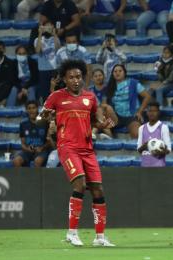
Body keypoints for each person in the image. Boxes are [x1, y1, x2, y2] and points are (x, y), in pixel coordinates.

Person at [38, 59, 116, 247]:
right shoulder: (56, 96)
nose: (75, 80)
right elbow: (40, 119)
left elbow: (95, 121)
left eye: (78, 76)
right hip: (67, 147)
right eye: (71, 77)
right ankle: (72, 232)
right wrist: (45, 117)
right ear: (64, 79)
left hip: (87, 149)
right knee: (80, 185)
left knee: (98, 189)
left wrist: (103, 124)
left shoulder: (90, 97)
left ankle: (100, 238)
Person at [103, 64, 152, 138]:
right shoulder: (109, 86)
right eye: (115, 71)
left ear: (124, 73)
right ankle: (110, 139)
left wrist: (140, 111)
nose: (117, 73)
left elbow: (147, 96)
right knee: (99, 122)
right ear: (112, 74)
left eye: (120, 71)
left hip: (131, 116)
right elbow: (103, 104)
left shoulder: (133, 83)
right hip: (116, 117)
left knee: (136, 134)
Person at [13, 101, 51, 167]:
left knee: (37, 161)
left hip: (41, 151)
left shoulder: (45, 122)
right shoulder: (23, 124)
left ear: (37, 109)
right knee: (16, 161)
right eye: (29, 108)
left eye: (33, 108)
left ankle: (37, 177)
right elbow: (23, 144)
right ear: (26, 110)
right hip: (27, 151)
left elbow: (50, 142)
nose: (31, 110)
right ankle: (21, 177)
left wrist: (41, 148)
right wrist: (27, 149)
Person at [136, 102, 171, 167]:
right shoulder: (141, 128)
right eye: (150, 111)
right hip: (145, 167)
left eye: (154, 111)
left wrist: (159, 151)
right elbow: (139, 150)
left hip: (159, 166)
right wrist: (146, 146)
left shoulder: (163, 127)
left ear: (158, 112)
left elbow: (168, 149)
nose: (152, 113)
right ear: (147, 112)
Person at [34, 22, 60, 101]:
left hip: (54, 68)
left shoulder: (55, 38)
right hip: (43, 69)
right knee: (45, 92)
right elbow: (38, 51)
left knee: (55, 91)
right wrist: (39, 34)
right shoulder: (37, 39)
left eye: (49, 27)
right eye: (46, 27)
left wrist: (55, 34)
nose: (47, 29)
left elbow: (58, 50)